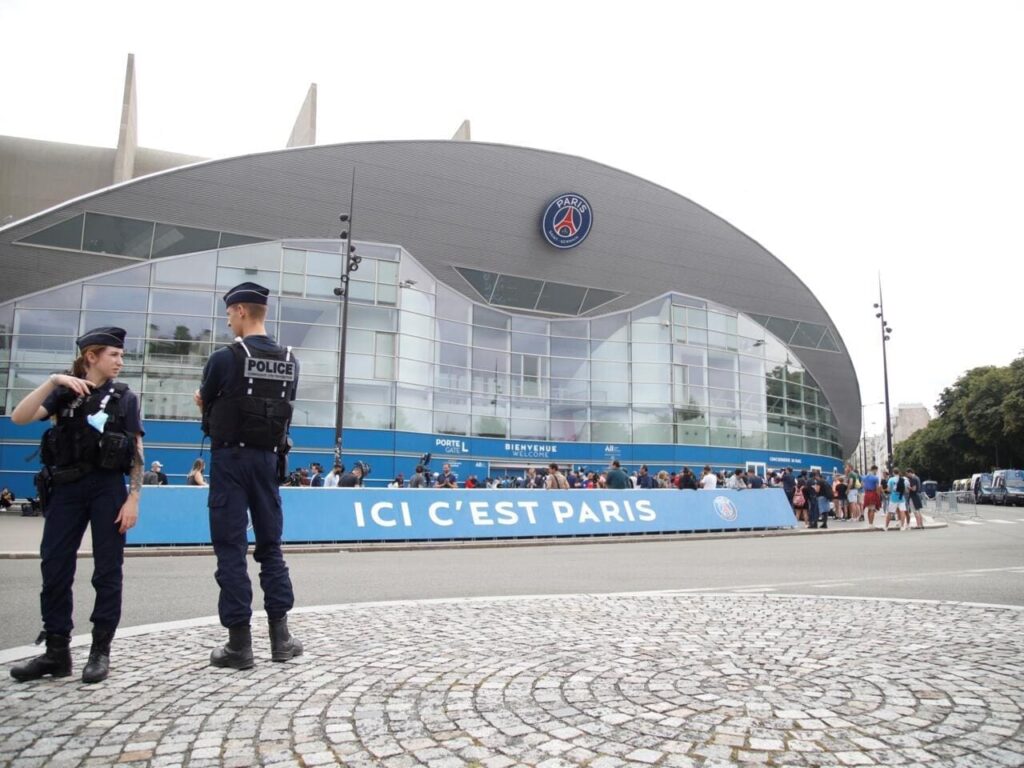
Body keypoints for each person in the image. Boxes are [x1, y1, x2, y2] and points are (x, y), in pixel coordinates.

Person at [9, 327, 144, 684]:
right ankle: (56, 652)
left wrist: (133, 497)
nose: (120, 361)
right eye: (114, 355)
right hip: (66, 488)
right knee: (54, 568)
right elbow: (19, 417)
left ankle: (100, 651)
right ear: (92, 357)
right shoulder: (64, 392)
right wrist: (52, 381)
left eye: (121, 355)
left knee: (107, 572)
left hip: (107, 489)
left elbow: (137, 453)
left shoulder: (125, 397)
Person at [194, 282, 302, 669]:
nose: (228, 322)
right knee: (271, 548)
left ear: (240, 311)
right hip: (269, 463)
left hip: (231, 462)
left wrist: (205, 405)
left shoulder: (224, 358)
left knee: (231, 549)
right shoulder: (291, 359)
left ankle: (239, 645)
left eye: (228, 315)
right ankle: (281, 638)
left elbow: (207, 404)